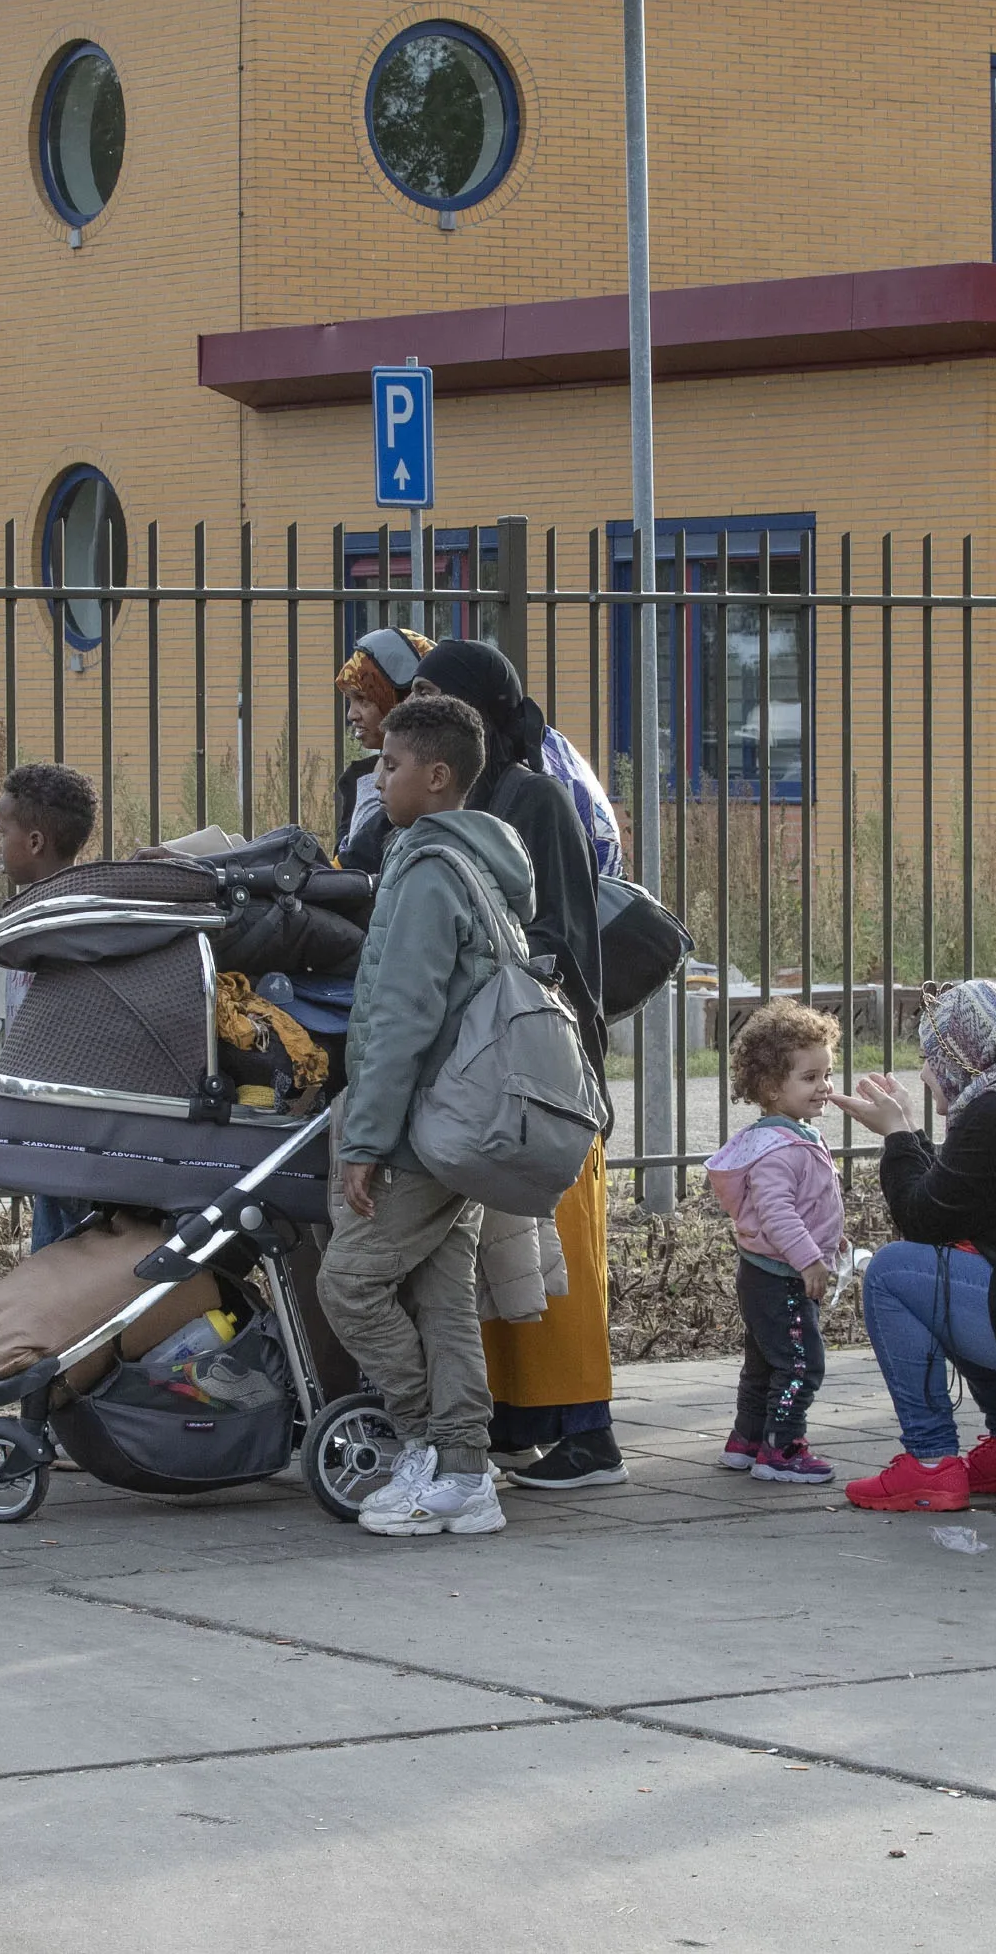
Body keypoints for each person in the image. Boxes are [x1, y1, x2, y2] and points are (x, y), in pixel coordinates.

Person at [404, 639, 619, 1490]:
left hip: (540, 1063)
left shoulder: (531, 801)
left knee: (557, 1254)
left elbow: (559, 935)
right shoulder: (466, 798)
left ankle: (589, 1436)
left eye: (434, 695)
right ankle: (523, 1420)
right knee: (506, 1259)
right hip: (485, 1062)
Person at [322, 692, 524, 1539]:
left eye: (392, 763)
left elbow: (400, 1015)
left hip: (416, 1125)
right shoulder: (483, 859)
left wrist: (364, 1140)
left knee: (348, 1282)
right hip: (461, 1122)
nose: (378, 773)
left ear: (436, 777)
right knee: (443, 1300)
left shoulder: (429, 868)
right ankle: (466, 1476)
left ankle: (422, 1449)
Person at [837, 983, 996, 1513]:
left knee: (892, 1274)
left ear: (961, 1055)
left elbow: (922, 1221)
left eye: (929, 1059)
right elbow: (958, 1204)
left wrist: (898, 1137)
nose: (927, 1076)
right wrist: (910, 1134)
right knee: (957, 1266)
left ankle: (929, 1462)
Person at [340, 627, 623, 880]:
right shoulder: (426, 794)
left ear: (467, 704)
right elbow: (352, 872)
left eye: (424, 692)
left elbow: (559, 930)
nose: (408, 706)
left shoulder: (539, 798)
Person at [708, 999, 852, 1485]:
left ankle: (746, 1442)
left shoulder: (793, 1135)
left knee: (764, 1363)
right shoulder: (778, 1149)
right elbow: (777, 1213)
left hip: (767, 1272)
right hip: (782, 1277)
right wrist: (811, 1259)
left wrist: (833, 1237)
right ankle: (782, 1448)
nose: (824, 1087)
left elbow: (809, 1205)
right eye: (809, 1078)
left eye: (826, 1074)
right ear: (772, 1087)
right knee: (800, 1366)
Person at [0, 761, 99, 1250]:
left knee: (60, 1255)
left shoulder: (61, 923)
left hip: (66, 1125)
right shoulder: (40, 915)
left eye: (2, 831)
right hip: (54, 1121)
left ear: (35, 842)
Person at [334, 626, 431, 873]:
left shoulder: (425, 779)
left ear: (403, 698)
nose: (351, 714)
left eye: (363, 700)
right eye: (350, 701)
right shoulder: (356, 777)